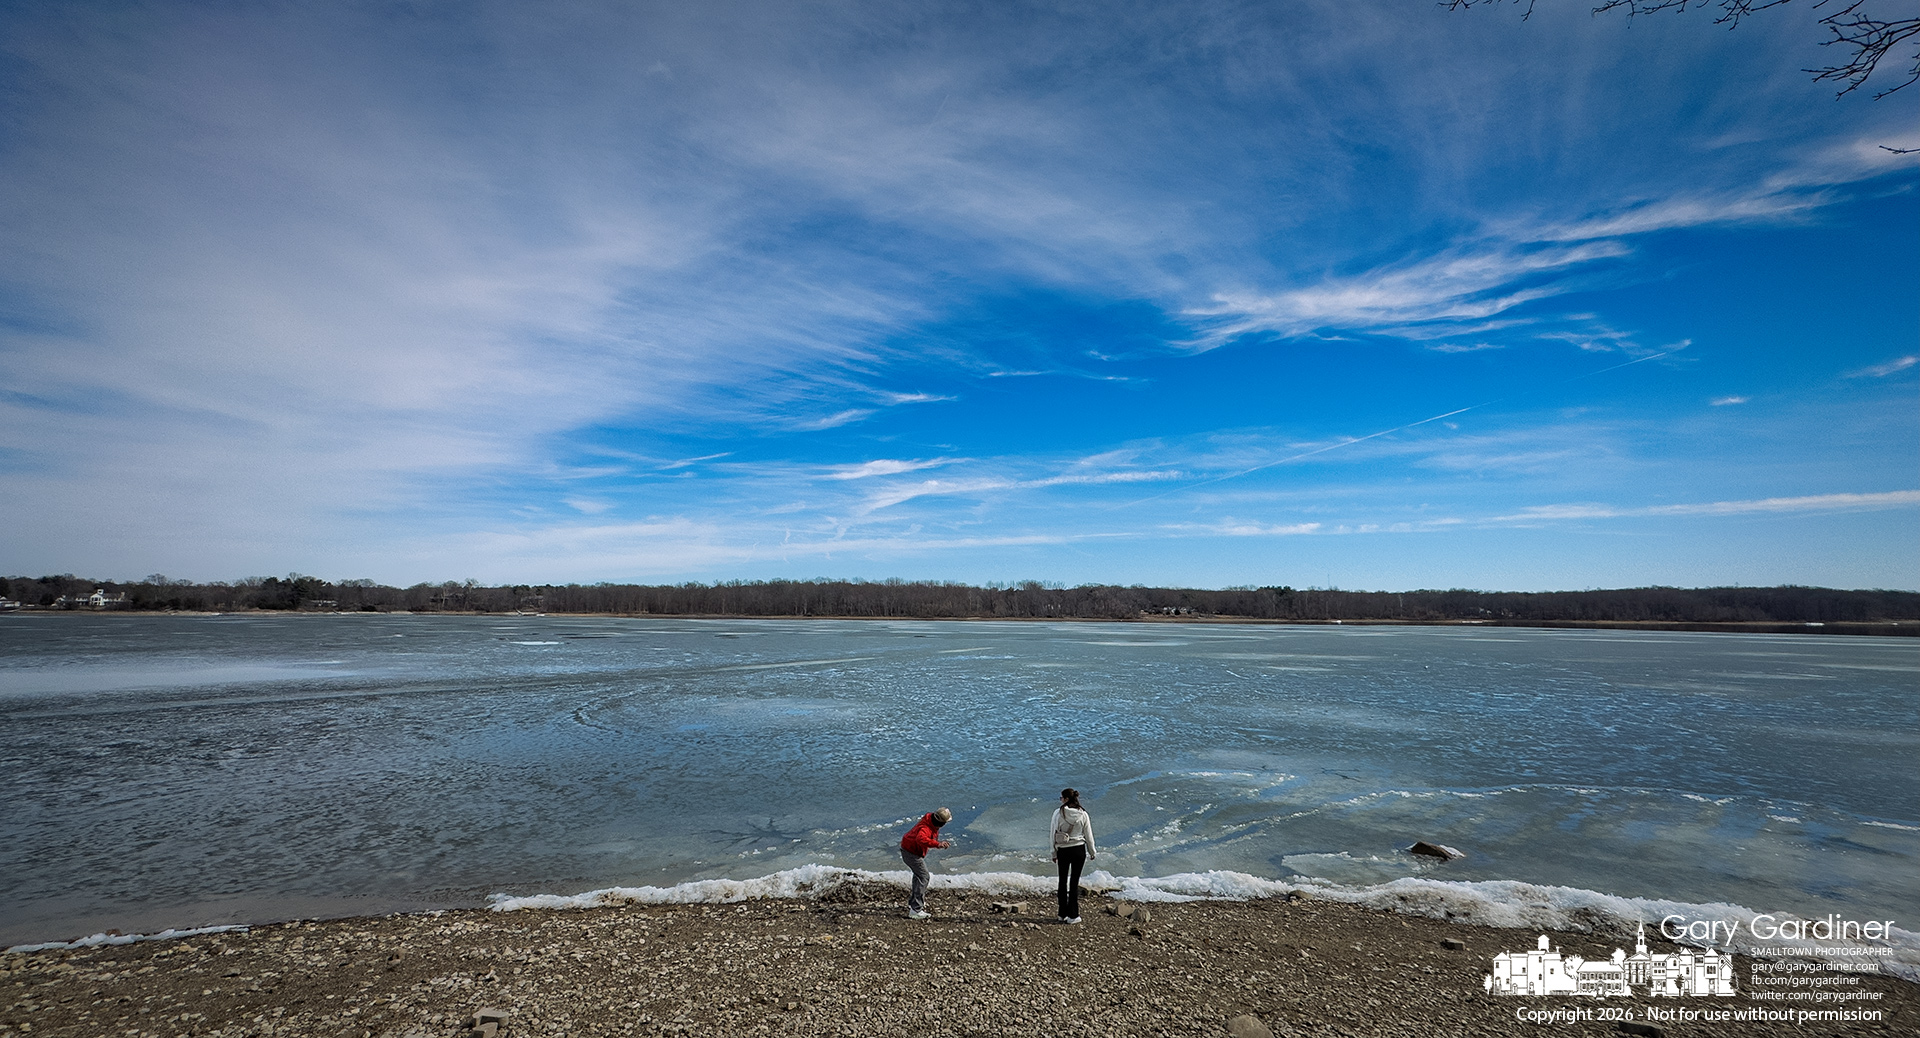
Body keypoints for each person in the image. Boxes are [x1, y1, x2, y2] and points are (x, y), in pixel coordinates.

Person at [1050, 788, 1096, 923]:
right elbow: (1089, 835)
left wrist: (1053, 852)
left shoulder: (1058, 813)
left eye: (1061, 798)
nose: (1060, 800)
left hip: (1063, 850)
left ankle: (1061, 914)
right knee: (1074, 882)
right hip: (1078, 850)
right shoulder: (1083, 814)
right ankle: (1073, 915)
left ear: (1066, 799)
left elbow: (1052, 834)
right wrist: (1092, 851)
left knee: (1062, 881)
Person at [899, 807, 954, 920]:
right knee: (924, 877)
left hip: (909, 850)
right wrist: (937, 844)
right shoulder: (925, 828)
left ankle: (914, 904)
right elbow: (920, 839)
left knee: (918, 876)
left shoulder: (929, 819)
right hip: (911, 853)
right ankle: (916, 909)